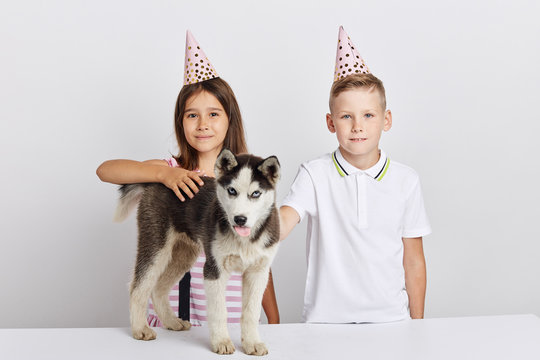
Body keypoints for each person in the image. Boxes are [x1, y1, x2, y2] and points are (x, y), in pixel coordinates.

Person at [97, 30, 279, 326]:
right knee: (165, 258)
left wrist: (273, 316)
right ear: (180, 122)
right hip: (178, 322)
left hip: (232, 321)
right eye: (192, 115)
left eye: (214, 114)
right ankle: (148, 310)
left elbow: (262, 254)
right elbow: (106, 170)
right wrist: (164, 174)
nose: (203, 124)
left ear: (229, 119)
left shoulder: (248, 181)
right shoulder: (171, 171)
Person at [279, 26, 431, 323]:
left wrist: (418, 325)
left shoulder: (406, 180)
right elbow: (284, 220)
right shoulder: (315, 174)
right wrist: (247, 221)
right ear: (330, 122)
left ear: (386, 120)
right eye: (346, 116)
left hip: (392, 321)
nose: (357, 126)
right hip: (325, 323)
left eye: (368, 115)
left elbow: (413, 260)